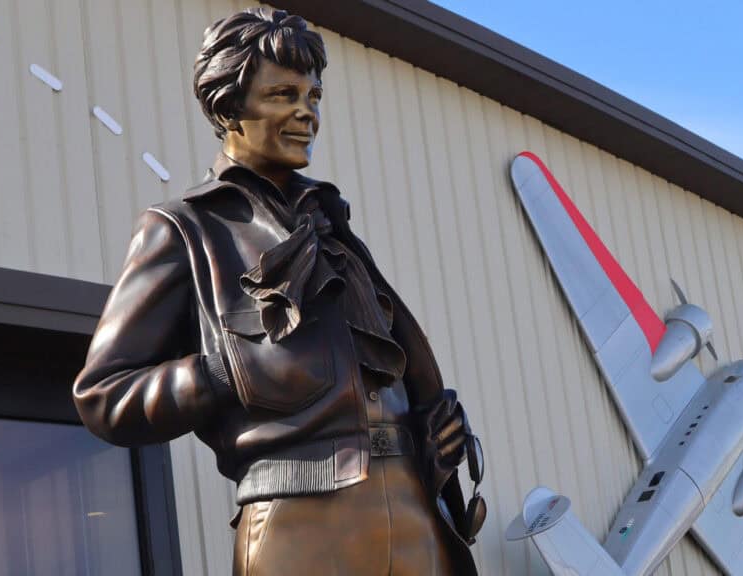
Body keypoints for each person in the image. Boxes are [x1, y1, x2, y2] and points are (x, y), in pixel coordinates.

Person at [73, 8, 483, 575]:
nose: (305, 113)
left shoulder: (332, 229)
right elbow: (104, 394)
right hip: (302, 523)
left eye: (313, 97)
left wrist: (428, 425)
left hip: (414, 510)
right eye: (282, 95)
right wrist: (219, 373)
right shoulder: (187, 231)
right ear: (229, 108)